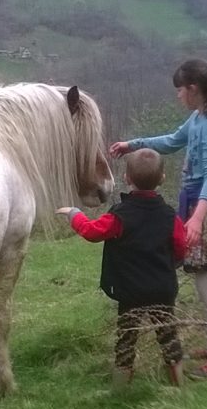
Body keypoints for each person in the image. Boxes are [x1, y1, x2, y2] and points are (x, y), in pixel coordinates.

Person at [109, 58, 207, 380]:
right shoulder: (199, 117)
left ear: (194, 89)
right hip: (198, 204)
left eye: (180, 90)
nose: (178, 96)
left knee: (206, 283)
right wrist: (135, 144)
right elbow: (172, 141)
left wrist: (197, 219)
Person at [57, 148, 190, 387]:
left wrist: (74, 214)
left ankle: (119, 390)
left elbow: (91, 231)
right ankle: (178, 385)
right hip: (163, 290)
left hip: (130, 293)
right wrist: (174, 262)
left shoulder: (119, 216)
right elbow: (181, 247)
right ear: (162, 178)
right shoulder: (171, 217)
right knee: (169, 338)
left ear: (127, 178)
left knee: (126, 340)